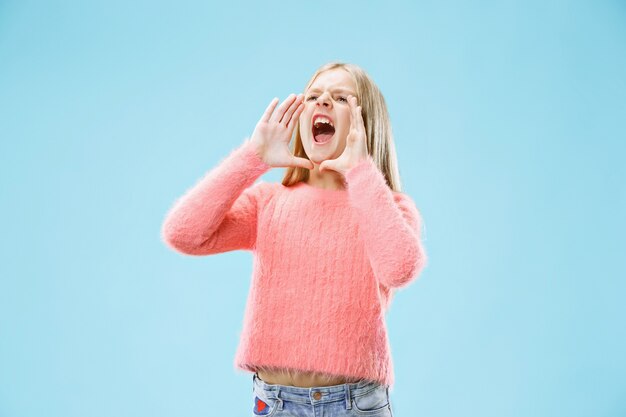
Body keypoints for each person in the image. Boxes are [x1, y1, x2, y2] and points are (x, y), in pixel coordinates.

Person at [160, 62, 428, 416]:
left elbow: (399, 269)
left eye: (341, 98)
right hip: (275, 403)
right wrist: (252, 158)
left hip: (356, 405)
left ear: (367, 125)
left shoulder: (387, 207)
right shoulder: (269, 202)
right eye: (314, 96)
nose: (323, 103)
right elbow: (183, 233)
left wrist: (361, 171)